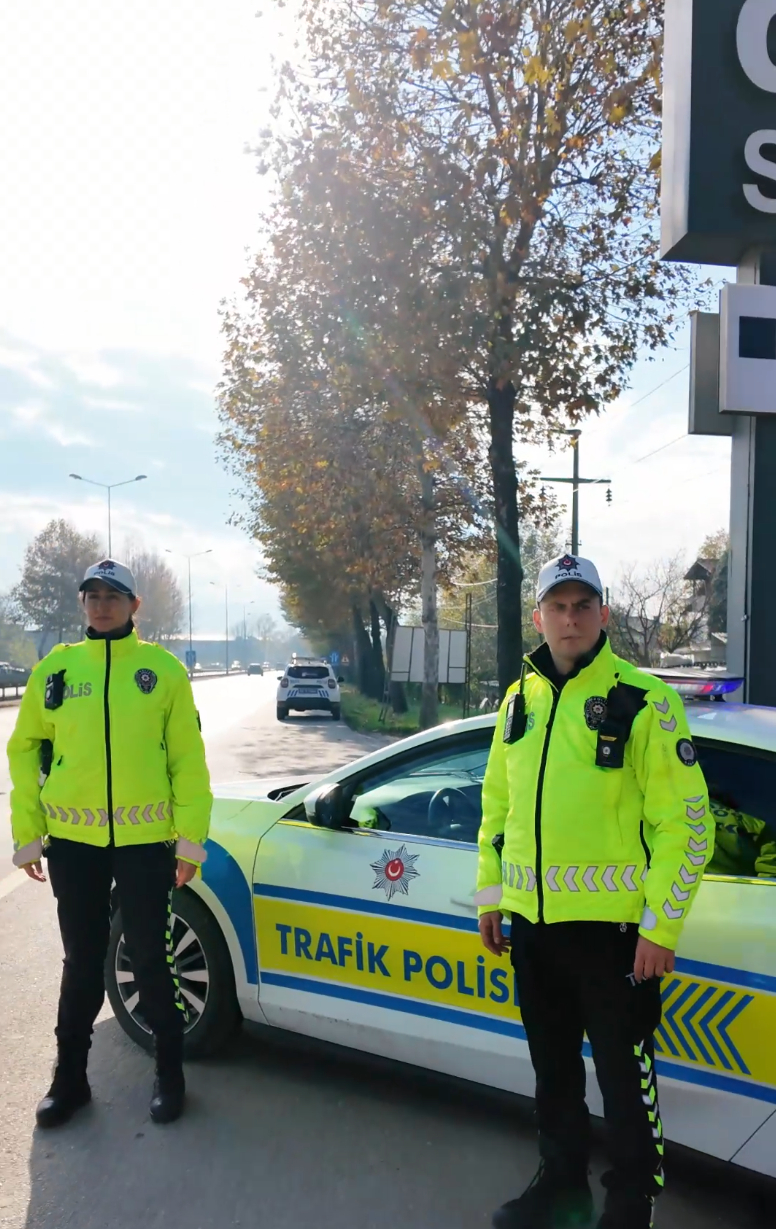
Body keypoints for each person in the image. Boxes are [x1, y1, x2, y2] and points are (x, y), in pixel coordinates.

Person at [476, 554, 712, 1229]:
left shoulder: (644, 700)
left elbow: (685, 823)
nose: (571, 617)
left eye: (584, 605)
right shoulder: (518, 701)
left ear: (603, 614)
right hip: (536, 931)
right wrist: (493, 896)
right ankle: (560, 1185)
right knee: (553, 1076)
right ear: (539, 616)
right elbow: (498, 806)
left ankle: (631, 1206)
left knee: (625, 1085)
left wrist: (661, 926)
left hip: (615, 939)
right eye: (559, 605)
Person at [8, 558, 212, 1128]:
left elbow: (188, 764)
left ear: (134, 606)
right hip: (74, 843)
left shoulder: (162, 670)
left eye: (113, 596)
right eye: (92, 595)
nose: (101, 605)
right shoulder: (57, 669)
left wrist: (190, 842)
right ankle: (68, 1081)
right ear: (83, 605)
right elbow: (24, 749)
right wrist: (29, 833)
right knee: (81, 964)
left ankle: (169, 1075)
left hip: (147, 843)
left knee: (151, 960)